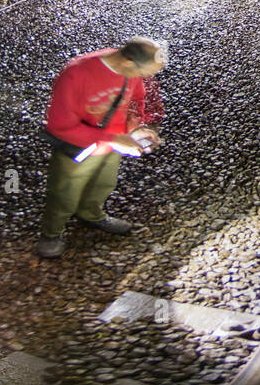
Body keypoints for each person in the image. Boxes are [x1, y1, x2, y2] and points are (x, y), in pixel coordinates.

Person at [37, 36, 167, 259]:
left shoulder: (129, 72)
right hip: (79, 148)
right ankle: (52, 233)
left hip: (112, 143)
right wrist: (113, 139)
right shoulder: (77, 74)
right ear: (128, 63)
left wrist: (136, 128)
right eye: (145, 73)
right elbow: (59, 124)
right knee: (64, 192)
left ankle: (91, 214)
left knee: (104, 183)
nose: (146, 78)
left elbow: (136, 100)